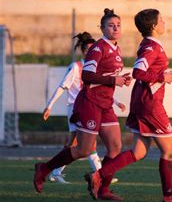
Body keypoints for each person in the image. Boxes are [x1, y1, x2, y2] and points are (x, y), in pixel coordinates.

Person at [85, 9, 172, 202]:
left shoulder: (150, 45)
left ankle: (98, 176)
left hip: (143, 101)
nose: (164, 22)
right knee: (168, 150)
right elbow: (138, 72)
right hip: (150, 105)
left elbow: (148, 71)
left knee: (139, 152)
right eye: (161, 19)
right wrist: (162, 77)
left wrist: (165, 74)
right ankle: (169, 196)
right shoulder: (152, 47)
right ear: (153, 26)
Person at [34, 9, 132, 201]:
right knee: (84, 150)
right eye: (111, 25)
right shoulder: (98, 48)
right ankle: (44, 168)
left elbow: (108, 76)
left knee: (115, 146)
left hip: (105, 104)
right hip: (90, 102)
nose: (115, 28)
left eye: (118, 25)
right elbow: (86, 76)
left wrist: (120, 80)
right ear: (102, 28)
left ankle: (102, 189)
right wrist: (114, 81)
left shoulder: (116, 48)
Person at [42, 32, 125, 184]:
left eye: (94, 49)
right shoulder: (76, 67)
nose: (92, 52)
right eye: (89, 50)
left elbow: (99, 90)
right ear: (83, 51)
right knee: (78, 144)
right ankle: (56, 171)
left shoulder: (96, 68)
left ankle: (99, 174)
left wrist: (116, 102)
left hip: (90, 106)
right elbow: (62, 86)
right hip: (75, 107)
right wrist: (49, 106)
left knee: (84, 144)